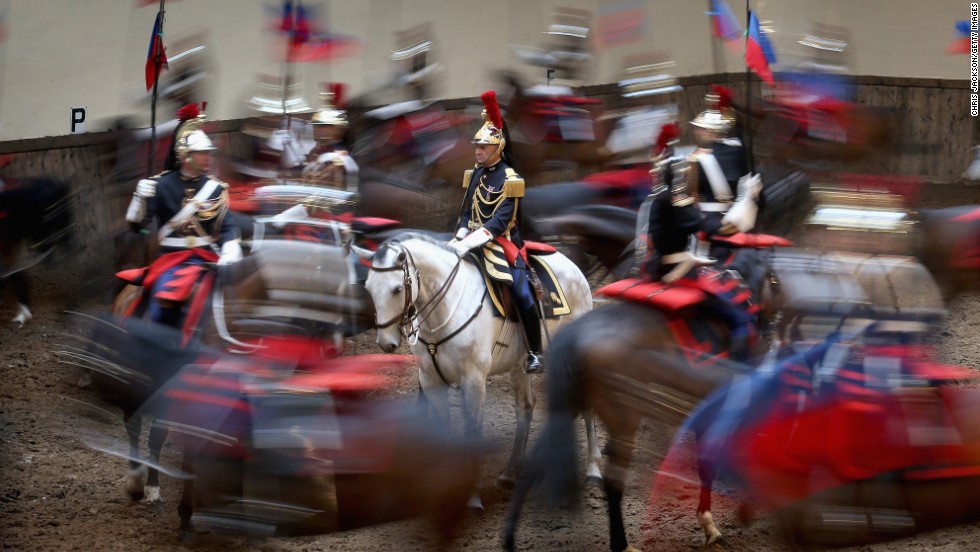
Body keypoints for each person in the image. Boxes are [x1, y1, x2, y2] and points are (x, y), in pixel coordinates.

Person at [449, 90, 543, 374]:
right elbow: (466, 211)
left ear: (498, 148)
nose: (477, 151)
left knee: (522, 293)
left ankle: (534, 352)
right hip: (470, 240)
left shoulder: (510, 179)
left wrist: (468, 243)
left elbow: (499, 223)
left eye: (483, 147)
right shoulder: (476, 172)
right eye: (477, 146)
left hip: (502, 244)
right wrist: (458, 237)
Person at [125, 103, 242, 328]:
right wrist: (139, 200)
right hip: (171, 259)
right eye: (202, 153)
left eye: (209, 153)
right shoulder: (160, 185)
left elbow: (227, 226)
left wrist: (230, 249)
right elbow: (139, 227)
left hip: (208, 259)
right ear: (185, 156)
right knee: (161, 308)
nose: (208, 157)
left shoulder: (216, 188)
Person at [687, 86, 762, 261]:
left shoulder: (697, 159)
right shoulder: (739, 151)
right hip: (741, 220)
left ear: (713, 131)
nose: (697, 131)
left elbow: (691, 198)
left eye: (702, 128)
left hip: (711, 223)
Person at [302, 84, 358, 190]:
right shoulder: (315, 151)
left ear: (339, 128)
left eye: (324, 126)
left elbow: (334, 187)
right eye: (316, 126)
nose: (318, 129)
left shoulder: (340, 156)